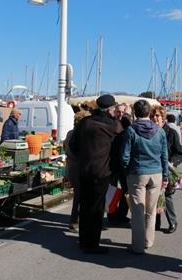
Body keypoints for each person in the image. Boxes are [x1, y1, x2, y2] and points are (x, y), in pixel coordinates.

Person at [69, 94, 123, 254]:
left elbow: (73, 145)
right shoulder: (112, 125)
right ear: (111, 108)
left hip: (84, 170)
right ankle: (92, 244)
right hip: (102, 171)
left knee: (85, 206)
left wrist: (84, 157)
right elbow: (119, 146)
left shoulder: (85, 122)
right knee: (97, 209)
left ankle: (84, 241)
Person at [121, 100, 168, 254]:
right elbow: (164, 156)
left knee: (137, 211)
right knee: (151, 210)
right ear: (149, 113)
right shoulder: (160, 131)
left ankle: (138, 246)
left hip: (137, 173)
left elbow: (125, 156)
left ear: (135, 113)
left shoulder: (131, 130)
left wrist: (126, 169)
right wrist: (166, 175)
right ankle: (148, 241)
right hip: (156, 173)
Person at [152, 106, 182, 234]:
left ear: (163, 117)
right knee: (154, 196)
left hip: (168, 169)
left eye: (157, 116)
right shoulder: (150, 131)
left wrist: (172, 163)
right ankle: (156, 223)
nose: (155, 118)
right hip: (153, 169)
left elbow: (179, 153)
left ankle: (172, 222)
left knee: (167, 196)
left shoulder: (171, 132)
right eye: (153, 116)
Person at [64, 110, 91, 232]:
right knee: (80, 195)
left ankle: (76, 221)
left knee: (78, 194)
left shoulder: (70, 133)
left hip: (71, 167)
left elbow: (65, 148)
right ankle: (75, 222)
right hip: (79, 167)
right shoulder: (82, 135)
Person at [107, 103, 132, 224]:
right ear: (115, 112)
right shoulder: (112, 124)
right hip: (112, 163)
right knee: (112, 189)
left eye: (123, 112)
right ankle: (111, 213)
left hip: (124, 164)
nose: (121, 114)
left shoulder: (128, 126)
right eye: (119, 112)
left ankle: (122, 214)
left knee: (125, 189)